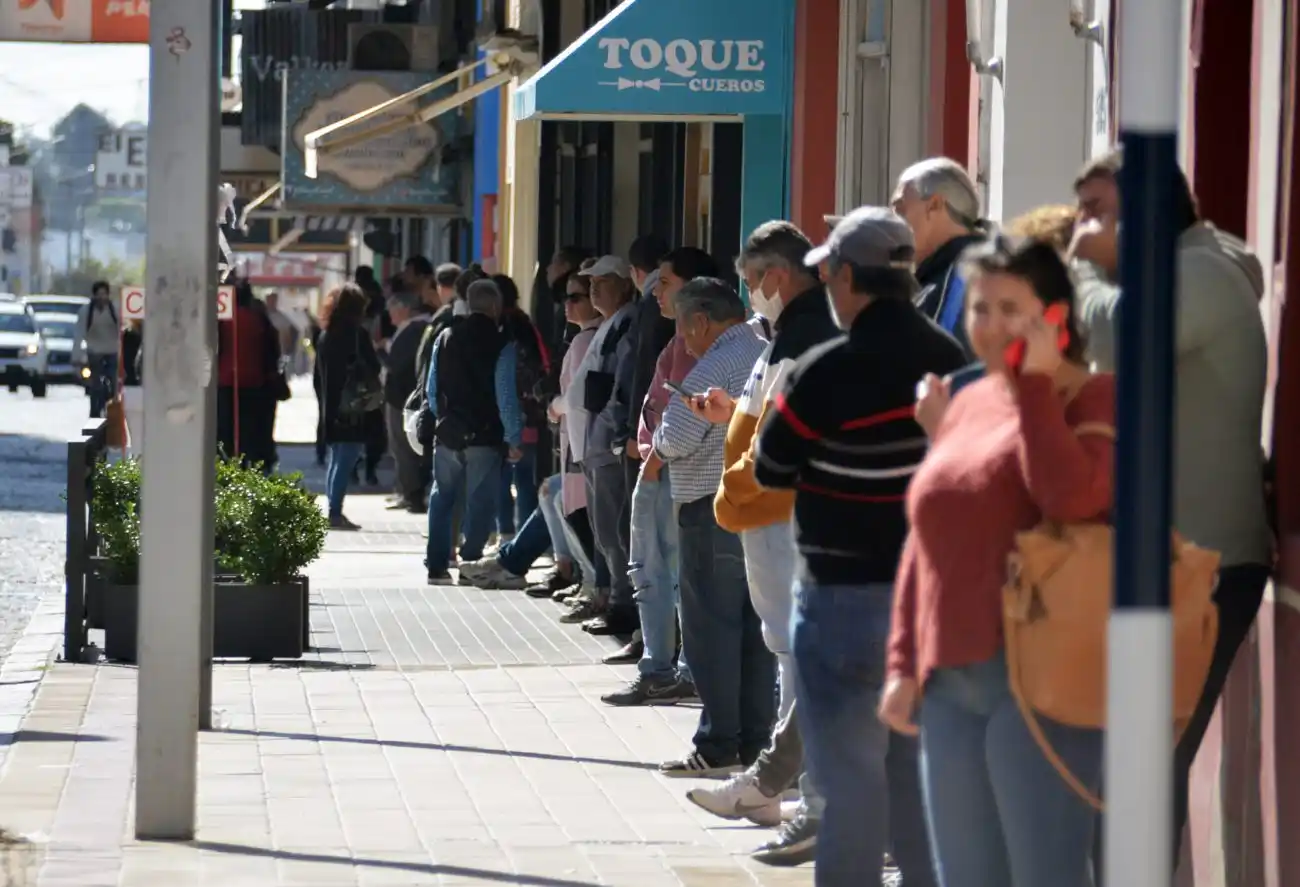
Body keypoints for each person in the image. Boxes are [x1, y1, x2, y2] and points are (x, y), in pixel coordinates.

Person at [878, 234, 1113, 887]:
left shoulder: (1091, 398)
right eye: (980, 308)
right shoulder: (969, 399)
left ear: (1055, 314)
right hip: (951, 680)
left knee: (1047, 874)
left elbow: (1069, 497)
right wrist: (903, 661)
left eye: (1011, 308)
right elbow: (928, 535)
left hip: (1040, 681)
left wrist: (1036, 386)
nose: (989, 325)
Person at [1068, 151, 1272, 860]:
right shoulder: (1200, 265)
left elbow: (1112, 336)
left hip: (1197, 566)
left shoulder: (1197, 277)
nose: (1082, 228)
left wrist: (1084, 265)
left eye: (1096, 213)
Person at [756, 208, 966, 887]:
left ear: (847, 277)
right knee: (918, 785)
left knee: (848, 788)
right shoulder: (951, 362)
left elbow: (770, 468)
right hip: (926, 604)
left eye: (828, 276)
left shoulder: (823, 371)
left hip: (839, 600)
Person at [686, 221, 842, 864]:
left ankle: (800, 792)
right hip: (767, 514)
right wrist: (731, 419)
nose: (750, 295)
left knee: (797, 655)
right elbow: (765, 416)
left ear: (777, 276)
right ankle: (779, 787)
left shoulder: (805, 335)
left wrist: (731, 496)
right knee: (788, 652)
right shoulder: (787, 333)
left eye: (752, 283)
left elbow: (783, 438)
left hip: (778, 514)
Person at [653, 277, 773, 778]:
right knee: (753, 633)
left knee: (710, 631)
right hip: (756, 510)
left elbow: (675, 438)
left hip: (710, 506)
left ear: (699, 320)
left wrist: (657, 441)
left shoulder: (719, 359)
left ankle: (718, 742)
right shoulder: (762, 347)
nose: (683, 340)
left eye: (682, 329)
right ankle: (754, 741)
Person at [600, 245, 716, 701]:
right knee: (648, 569)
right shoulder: (674, 338)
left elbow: (690, 414)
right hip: (655, 463)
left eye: (665, 283)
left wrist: (655, 456)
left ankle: (676, 668)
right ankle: (660, 664)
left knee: (669, 571)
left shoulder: (704, 345)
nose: (656, 293)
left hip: (674, 469)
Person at [558, 256, 641, 632]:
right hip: (591, 444)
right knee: (603, 529)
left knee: (614, 530)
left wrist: (609, 434)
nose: (593, 290)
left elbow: (619, 388)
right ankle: (615, 598)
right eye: (589, 283)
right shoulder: (610, 324)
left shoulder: (626, 324)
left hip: (605, 444)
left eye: (601, 282)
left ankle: (624, 605)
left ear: (625, 285)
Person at [424, 279, 525, 584]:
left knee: (442, 497)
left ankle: (437, 566)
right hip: (485, 435)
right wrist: (514, 437)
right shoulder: (502, 346)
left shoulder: (445, 337)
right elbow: (505, 395)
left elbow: (431, 388)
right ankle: (470, 562)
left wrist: (441, 417)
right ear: (495, 307)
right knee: (481, 501)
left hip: (449, 433)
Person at [890, 157, 988, 354]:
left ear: (934, 205)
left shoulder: (966, 279)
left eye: (900, 210)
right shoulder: (946, 275)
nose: (891, 223)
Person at [315, 283, 382, 530]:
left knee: (337, 460)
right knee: (347, 459)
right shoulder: (357, 334)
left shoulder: (325, 335)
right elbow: (373, 368)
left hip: (332, 406)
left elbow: (318, 376)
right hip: (353, 408)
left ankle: (332, 509)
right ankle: (334, 512)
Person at [493, 273, 550, 543]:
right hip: (531, 414)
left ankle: (505, 532)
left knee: (501, 478)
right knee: (526, 482)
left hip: (504, 416)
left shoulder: (499, 328)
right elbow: (543, 364)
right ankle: (522, 538)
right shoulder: (527, 325)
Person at [217, 281, 281, 470]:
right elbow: (272, 349)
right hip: (255, 382)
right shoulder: (259, 318)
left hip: (226, 381)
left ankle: (228, 465)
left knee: (226, 430)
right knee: (251, 430)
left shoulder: (222, 320)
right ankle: (252, 465)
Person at [382, 283, 432, 512]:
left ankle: (412, 494)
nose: (389, 316)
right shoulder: (411, 328)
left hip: (402, 398)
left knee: (405, 446)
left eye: (392, 310)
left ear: (404, 308)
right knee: (401, 447)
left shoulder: (416, 328)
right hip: (401, 397)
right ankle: (406, 491)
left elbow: (402, 365)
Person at [74, 280, 121, 418]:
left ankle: (112, 411)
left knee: (113, 382)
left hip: (112, 350)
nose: (102, 298)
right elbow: (79, 333)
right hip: (94, 351)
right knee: (95, 384)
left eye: (104, 294)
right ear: (94, 296)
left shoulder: (115, 310)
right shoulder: (86, 312)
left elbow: (122, 329)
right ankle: (94, 412)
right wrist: (76, 356)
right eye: (99, 294)